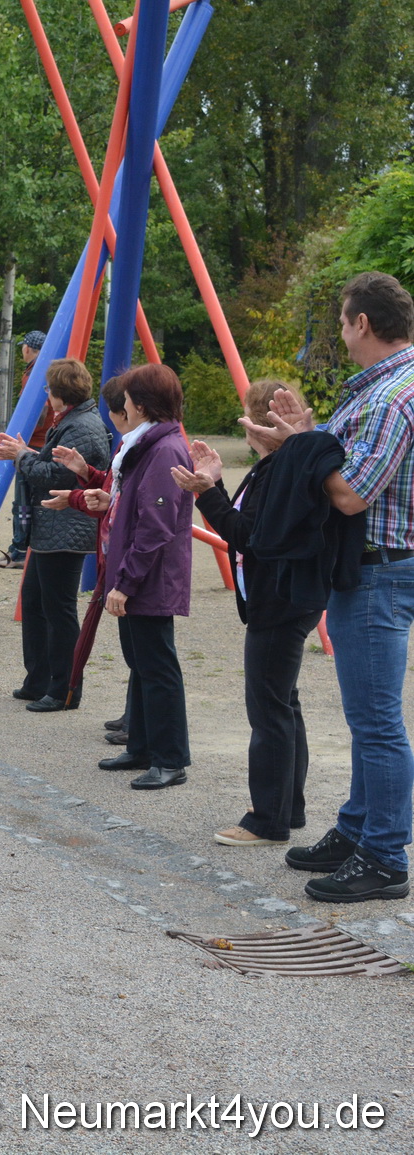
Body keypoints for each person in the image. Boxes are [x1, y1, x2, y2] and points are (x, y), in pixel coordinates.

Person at [246, 271, 414, 902]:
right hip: (374, 565)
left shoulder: (392, 396)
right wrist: (307, 440)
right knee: (370, 719)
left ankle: (385, 855)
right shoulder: (384, 391)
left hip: (375, 569)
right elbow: (345, 466)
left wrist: (300, 450)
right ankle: (357, 829)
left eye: (343, 322)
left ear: (362, 323)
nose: (341, 335)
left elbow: (349, 493)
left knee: (375, 723)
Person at [172, 381, 324, 846]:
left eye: (248, 417)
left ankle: (267, 819)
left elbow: (248, 534)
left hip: (278, 600)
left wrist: (205, 491)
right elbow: (252, 525)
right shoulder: (277, 465)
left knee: (269, 709)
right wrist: (215, 481)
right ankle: (286, 808)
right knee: (283, 703)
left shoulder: (280, 469)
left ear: (257, 423)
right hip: (283, 596)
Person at [50, 365, 193, 791]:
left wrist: (125, 582)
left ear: (141, 405)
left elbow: (156, 527)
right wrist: (107, 496)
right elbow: (136, 507)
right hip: (137, 573)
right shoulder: (148, 445)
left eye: (128, 398)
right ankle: (144, 747)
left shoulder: (164, 449)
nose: (122, 405)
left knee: (157, 665)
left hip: (150, 578)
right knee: (141, 662)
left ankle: (170, 758)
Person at [0, 357, 110, 711]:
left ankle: (64, 689)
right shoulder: (74, 420)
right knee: (36, 602)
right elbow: (51, 466)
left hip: (66, 528)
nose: (45, 395)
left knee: (58, 610)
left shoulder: (82, 426)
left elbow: (57, 477)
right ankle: (39, 679)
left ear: (58, 393)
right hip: (53, 528)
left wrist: (21, 455)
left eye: (47, 389)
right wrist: (25, 452)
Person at [5, 329, 49, 567]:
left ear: (28, 348)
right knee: (34, 499)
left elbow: (39, 413)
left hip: (32, 443)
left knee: (22, 500)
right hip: (45, 443)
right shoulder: (50, 369)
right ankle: (27, 546)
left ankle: (20, 548)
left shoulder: (34, 373)